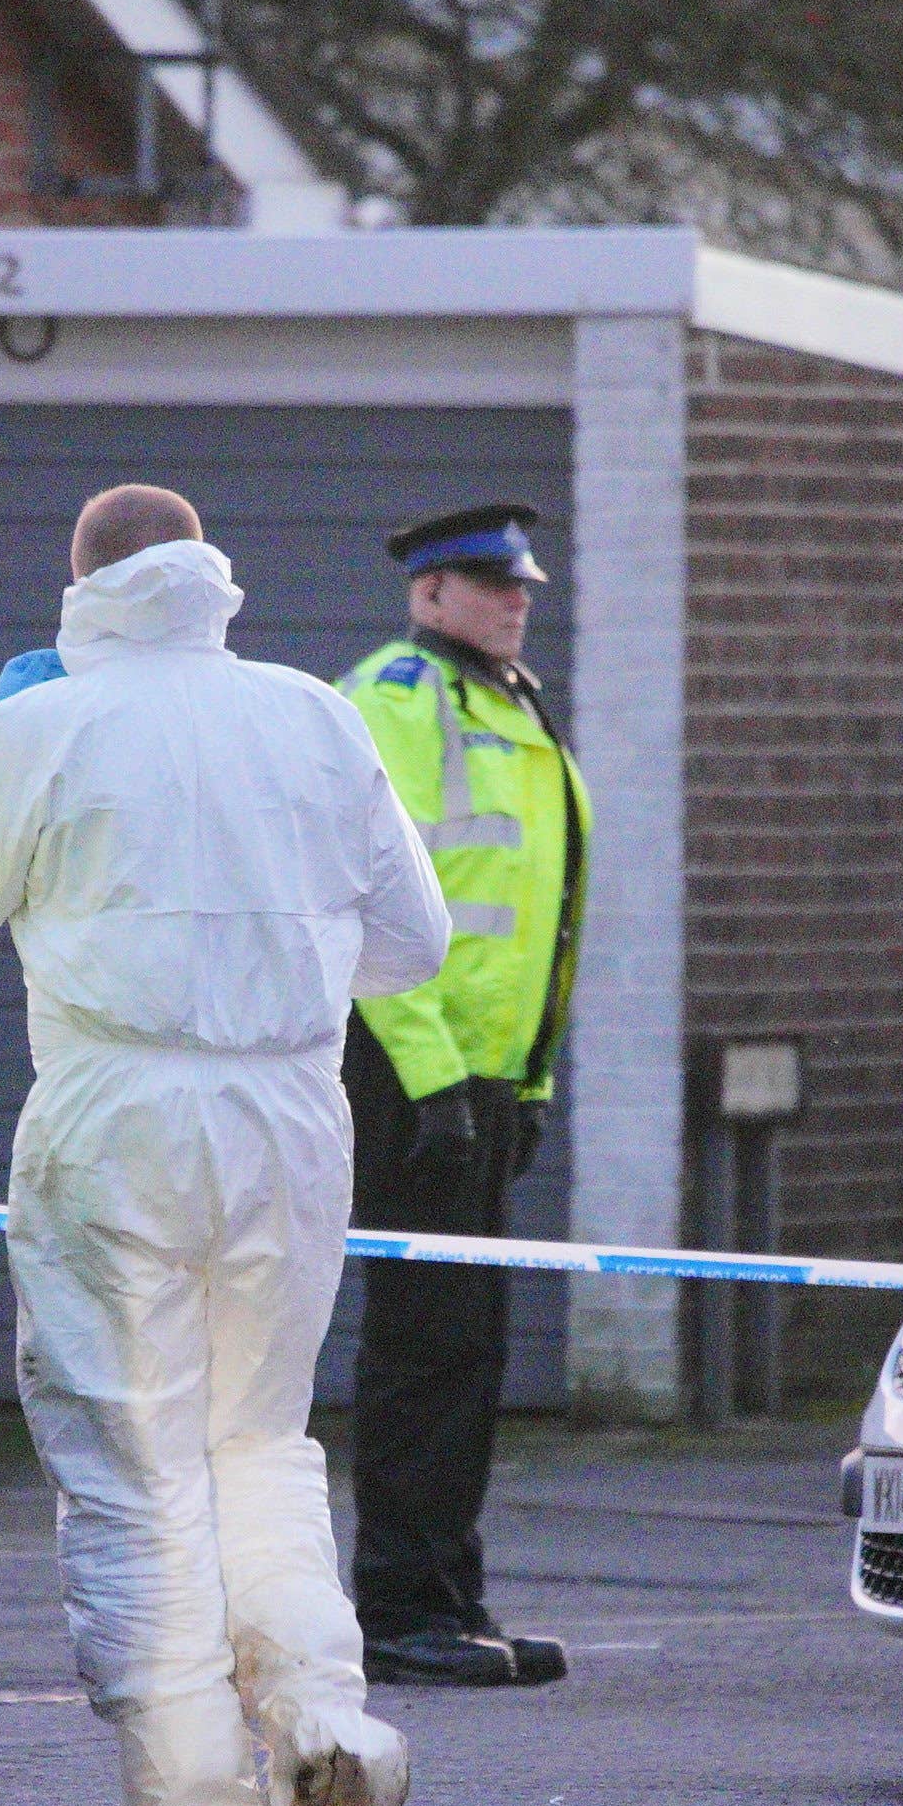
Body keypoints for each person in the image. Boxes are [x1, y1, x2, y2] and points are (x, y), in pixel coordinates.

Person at [0, 484, 451, 1806]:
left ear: (81, 583)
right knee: (257, 1443)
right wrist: (278, 955)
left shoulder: (45, 721)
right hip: (291, 1117)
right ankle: (324, 1722)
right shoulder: (316, 718)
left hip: (115, 1116)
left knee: (136, 1472)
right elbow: (416, 943)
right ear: (211, 576)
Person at [332, 503, 590, 1691]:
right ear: (429, 592)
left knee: (470, 1347)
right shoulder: (397, 697)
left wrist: (527, 1080)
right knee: (425, 1344)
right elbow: (362, 895)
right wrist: (436, 1079)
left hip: (480, 1078)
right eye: (492, 583)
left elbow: (539, 911)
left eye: (523, 584)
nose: (517, 600)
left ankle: (448, 1595)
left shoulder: (508, 701)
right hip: (410, 1066)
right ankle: (399, 1609)